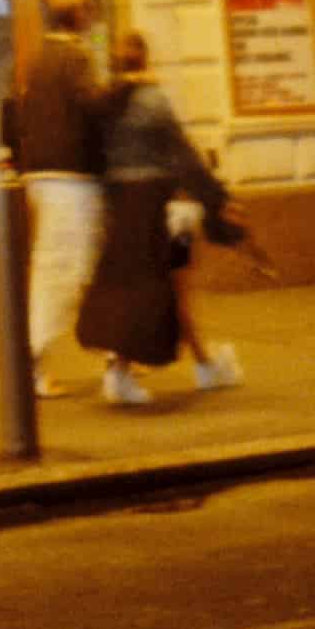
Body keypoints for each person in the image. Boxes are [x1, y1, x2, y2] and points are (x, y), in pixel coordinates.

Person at [79, 27, 246, 408]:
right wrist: (217, 198)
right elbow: (182, 154)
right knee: (161, 288)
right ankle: (139, 372)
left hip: (119, 204)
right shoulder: (152, 100)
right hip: (157, 202)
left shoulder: (105, 102)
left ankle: (192, 366)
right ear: (146, 58)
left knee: (143, 287)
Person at [2, 0, 112, 395]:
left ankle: (113, 351)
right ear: (77, 17)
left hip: (43, 176)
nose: (92, 17)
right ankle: (31, 360)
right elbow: (93, 109)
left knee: (84, 266)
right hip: (70, 179)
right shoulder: (74, 57)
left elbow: (15, 115)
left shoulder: (37, 59)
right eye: (88, 11)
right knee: (62, 270)